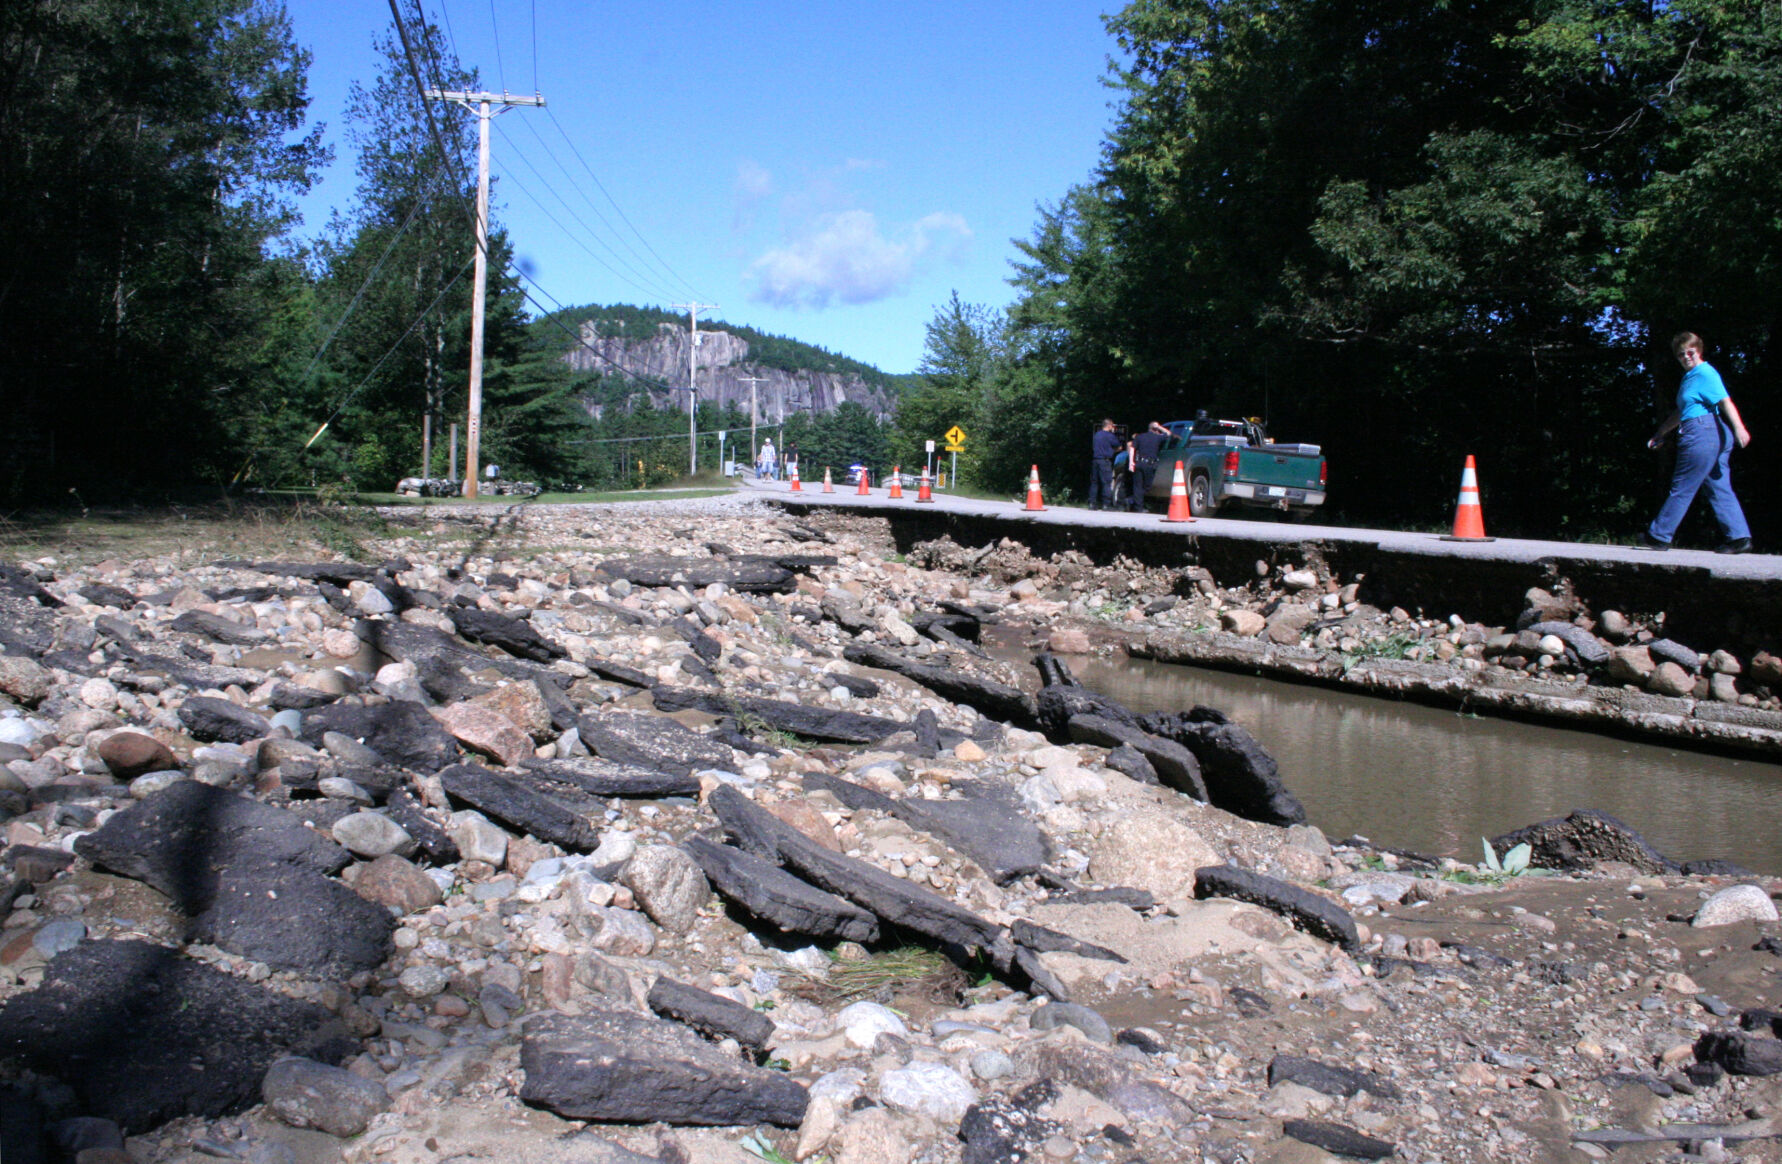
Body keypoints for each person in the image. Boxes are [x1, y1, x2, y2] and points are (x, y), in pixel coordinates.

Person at [1642, 332, 1752, 553]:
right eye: (1681, 354)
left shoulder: (1705, 373)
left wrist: (1740, 428)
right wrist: (1661, 432)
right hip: (1708, 430)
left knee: (1683, 484)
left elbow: (1725, 401)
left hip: (1703, 431)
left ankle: (1659, 535)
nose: (1686, 357)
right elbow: (1682, 410)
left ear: (1699, 351)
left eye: (1690, 352)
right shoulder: (1690, 377)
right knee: (1718, 487)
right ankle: (1739, 538)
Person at [1127, 421, 1169, 511]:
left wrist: (1131, 462)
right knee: (1147, 486)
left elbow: (1132, 448)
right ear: (1156, 429)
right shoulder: (1158, 437)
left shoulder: (1140, 437)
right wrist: (1160, 427)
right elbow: (1168, 434)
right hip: (1150, 464)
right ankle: (1136, 504)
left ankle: (1134, 503)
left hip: (1139, 463)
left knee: (1138, 486)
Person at [1088, 419, 1120, 510]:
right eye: (1112, 426)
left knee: (1094, 482)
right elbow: (1118, 446)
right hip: (1105, 461)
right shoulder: (1110, 436)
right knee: (1106, 482)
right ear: (1109, 425)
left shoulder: (1097, 435)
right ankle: (1106, 504)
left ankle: (1092, 503)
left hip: (1095, 460)